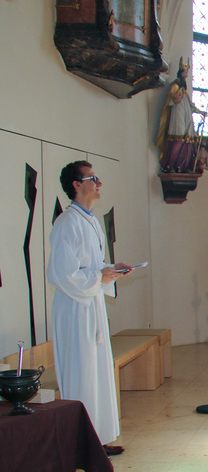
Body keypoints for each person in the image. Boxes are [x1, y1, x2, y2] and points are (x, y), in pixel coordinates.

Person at [47, 161, 132, 455]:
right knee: (81, 374)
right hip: (75, 308)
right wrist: (99, 277)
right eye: (93, 178)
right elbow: (61, 273)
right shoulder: (66, 223)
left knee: (97, 373)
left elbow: (91, 266)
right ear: (76, 184)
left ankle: (97, 439)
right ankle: (80, 444)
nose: (99, 183)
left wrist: (111, 269)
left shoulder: (91, 221)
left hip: (91, 304)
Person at [155, 59, 207, 173]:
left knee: (187, 141)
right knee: (178, 140)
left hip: (186, 116)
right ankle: (171, 165)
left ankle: (183, 166)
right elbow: (169, 101)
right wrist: (175, 99)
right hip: (178, 116)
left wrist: (201, 112)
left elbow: (190, 105)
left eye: (187, 72)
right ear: (180, 73)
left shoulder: (184, 89)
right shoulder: (175, 85)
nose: (186, 74)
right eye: (185, 72)